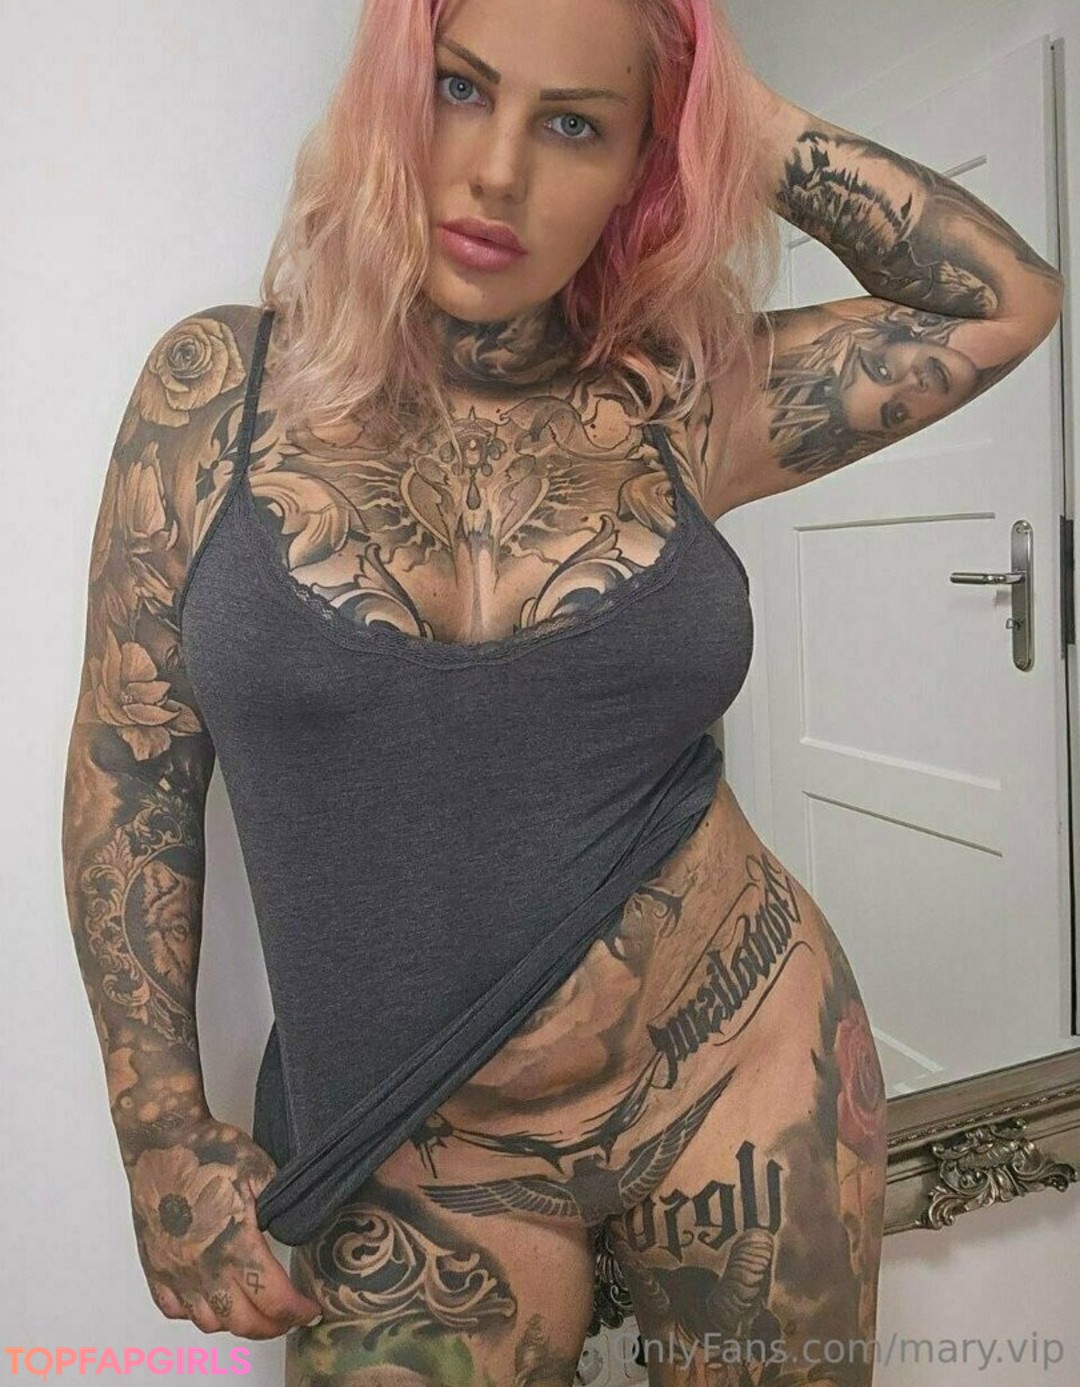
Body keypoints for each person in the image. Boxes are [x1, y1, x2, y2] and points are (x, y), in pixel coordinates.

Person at [60, 0, 1064, 1382]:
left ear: (645, 161)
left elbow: (1005, 299)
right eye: (459, 89)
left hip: (735, 1065)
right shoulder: (212, 398)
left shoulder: (684, 401)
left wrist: (728, 109)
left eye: (577, 124)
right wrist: (156, 1125)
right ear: (387, 90)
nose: (498, 174)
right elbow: (132, 768)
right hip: (424, 1148)